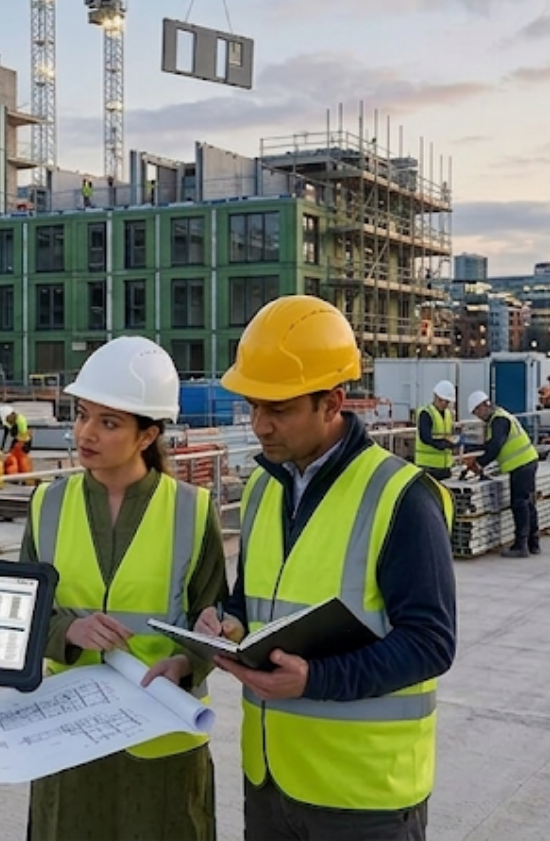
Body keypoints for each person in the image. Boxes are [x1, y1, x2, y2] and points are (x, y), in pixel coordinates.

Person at [197, 295, 456, 841]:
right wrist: (228, 625)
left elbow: (432, 643)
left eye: (279, 409)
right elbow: (252, 600)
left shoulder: (401, 498)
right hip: (270, 781)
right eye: (253, 407)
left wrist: (316, 680)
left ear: (333, 401)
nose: (260, 426)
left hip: (362, 797)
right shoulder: (264, 488)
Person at [21, 336, 225, 841]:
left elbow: (215, 617)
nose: (86, 433)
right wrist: (70, 631)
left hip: (160, 739)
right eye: (82, 414)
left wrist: (187, 662)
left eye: (108, 422)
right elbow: (22, 613)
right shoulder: (46, 504)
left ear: (146, 435)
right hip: (70, 738)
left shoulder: (193, 511)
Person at [465, 390, 540, 557]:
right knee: (528, 503)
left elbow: (496, 446)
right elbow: (491, 444)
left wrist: (479, 464)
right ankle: (533, 543)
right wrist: (474, 452)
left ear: (485, 405)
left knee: (520, 503)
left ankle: (521, 546)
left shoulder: (498, 420)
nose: (478, 416)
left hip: (521, 464)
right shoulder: (500, 417)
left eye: (477, 411)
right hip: (527, 462)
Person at [414, 379, 458, 481]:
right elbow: (425, 437)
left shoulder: (448, 414)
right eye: (442, 400)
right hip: (428, 467)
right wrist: (440, 444)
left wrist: (451, 443)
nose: (444, 404)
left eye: (447, 402)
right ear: (435, 397)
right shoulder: (426, 413)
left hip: (445, 468)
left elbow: (448, 434)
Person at [0, 407, 32, 477]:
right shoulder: (9, 422)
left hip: (23, 442)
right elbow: (7, 434)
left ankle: (23, 474)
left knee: (21, 459)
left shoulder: (21, 421)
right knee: (12, 458)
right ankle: (15, 474)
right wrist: (2, 448)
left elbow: (24, 435)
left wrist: (20, 444)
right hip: (17, 440)